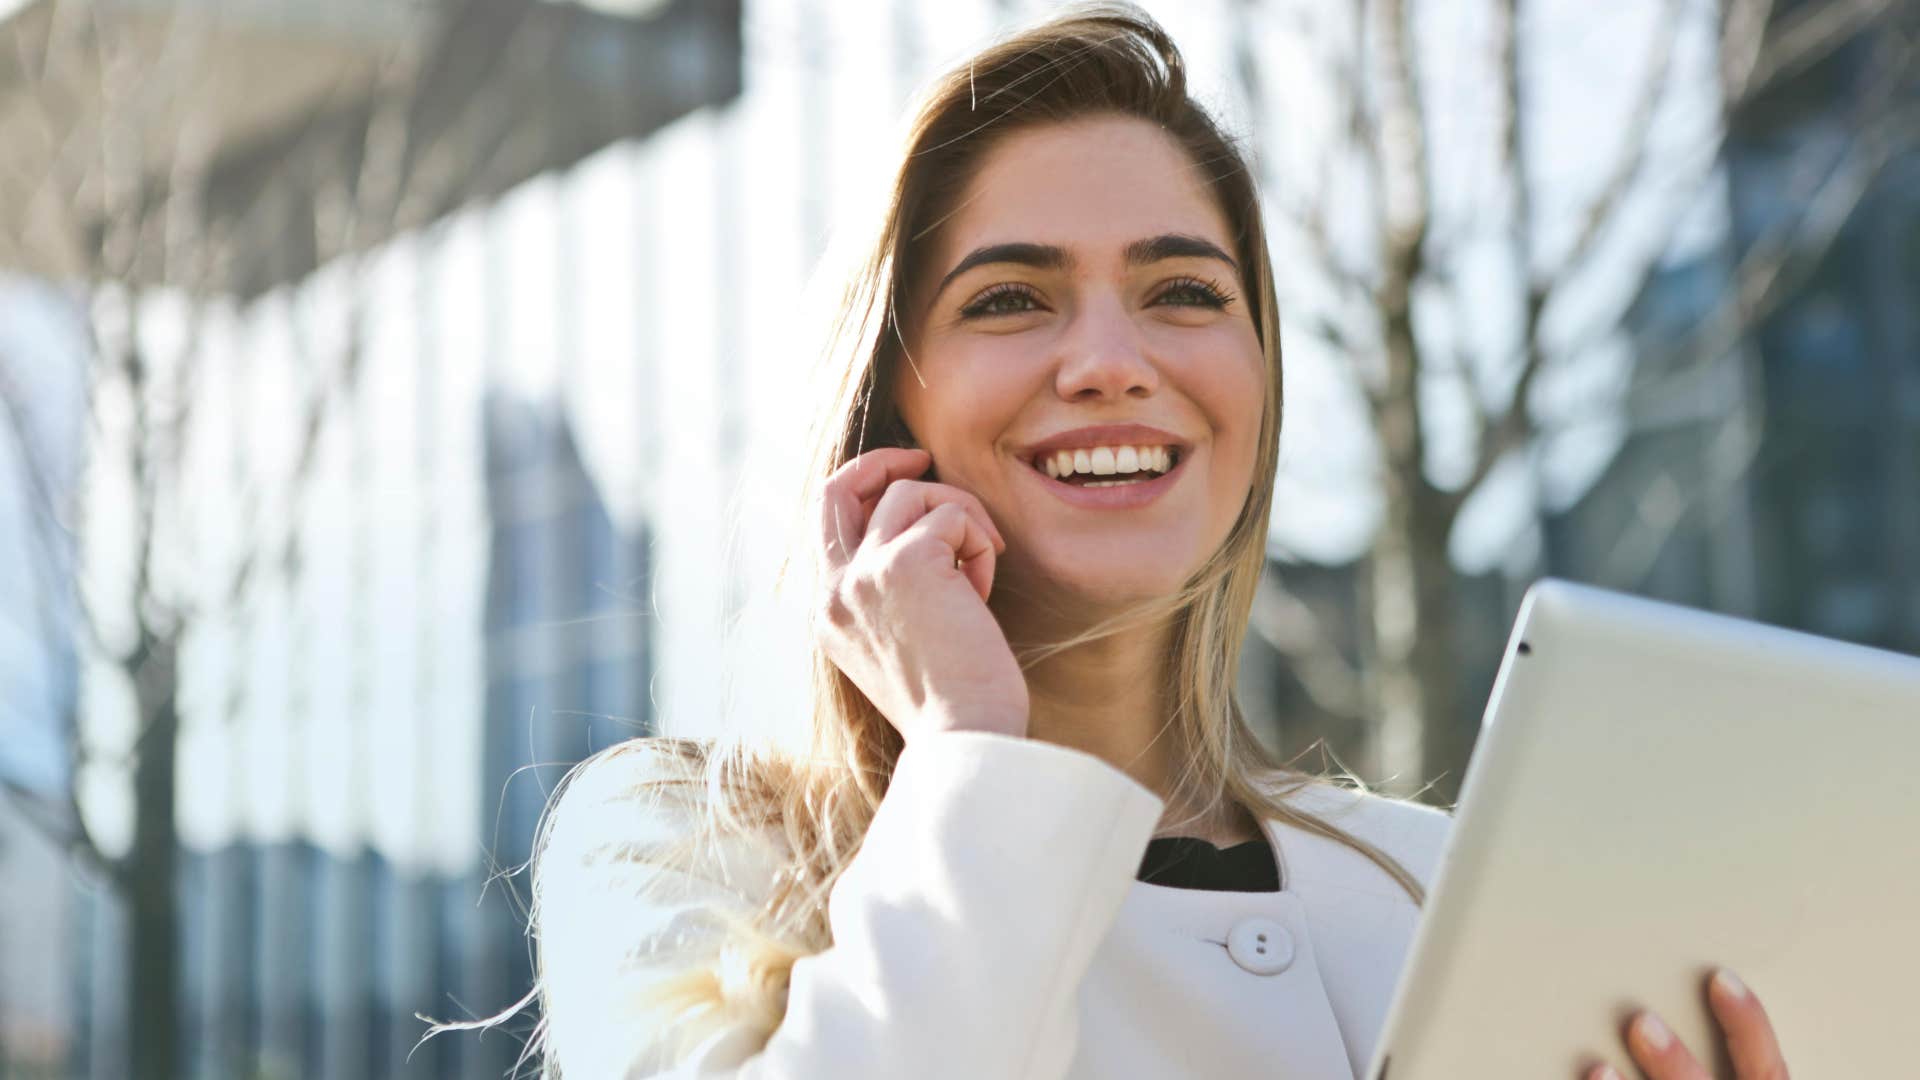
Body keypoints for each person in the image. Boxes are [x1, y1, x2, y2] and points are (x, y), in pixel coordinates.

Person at [526, 5, 1793, 1078]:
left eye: (1184, 292)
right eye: (1011, 298)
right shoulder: (678, 850)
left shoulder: (1442, 890)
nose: (1110, 365)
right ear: (889, 401)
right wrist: (971, 747)